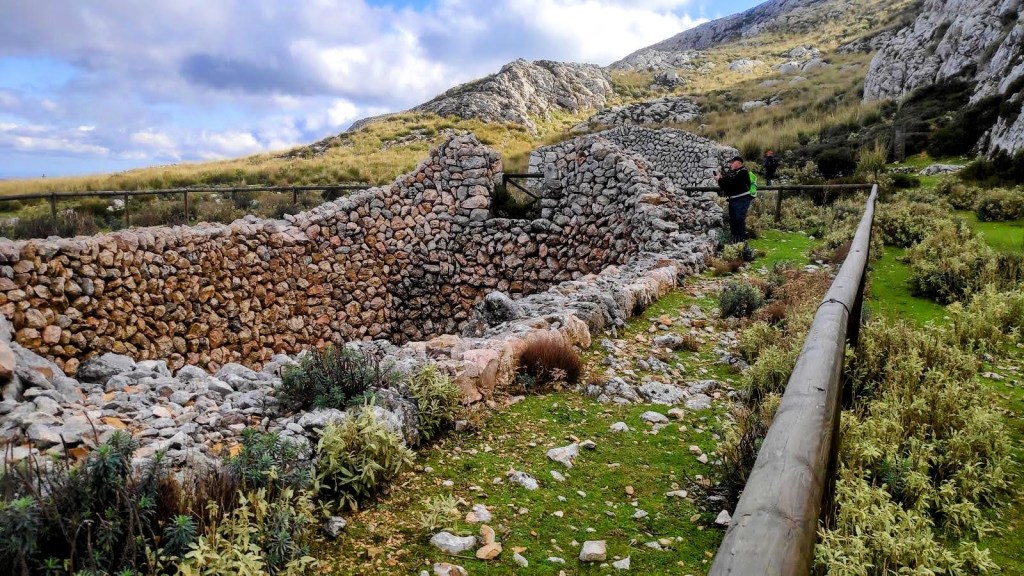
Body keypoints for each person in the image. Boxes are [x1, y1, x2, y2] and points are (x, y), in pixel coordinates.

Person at [715, 155, 755, 242]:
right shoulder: (733, 173)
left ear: (737, 163)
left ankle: (740, 239)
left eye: (732, 163)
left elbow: (732, 183)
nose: (730, 165)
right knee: (733, 219)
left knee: (739, 218)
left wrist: (721, 180)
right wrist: (720, 180)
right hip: (733, 200)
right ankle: (735, 238)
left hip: (742, 199)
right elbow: (726, 186)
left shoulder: (743, 172)